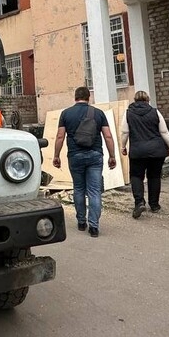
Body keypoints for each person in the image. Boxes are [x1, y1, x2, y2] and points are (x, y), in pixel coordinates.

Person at [52, 87, 117, 237]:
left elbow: (60, 137)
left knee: (79, 188)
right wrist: (112, 156)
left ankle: (81, 222)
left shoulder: (66, 113)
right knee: (94, 191)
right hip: (95, 155)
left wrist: (56, 155)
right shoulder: (98, 113)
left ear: (75, 97)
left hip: (75, 156)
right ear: (89, 97)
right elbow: (108, 136)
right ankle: (94, 226)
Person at [119, 91, 169, 219]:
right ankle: (154, 205)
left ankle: (139, 202)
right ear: (147, 100)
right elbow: (164, 131)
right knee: (154, 176)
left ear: (135, 100)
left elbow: (124, 132)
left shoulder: (128, 113)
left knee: (136, 176)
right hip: (156, 151)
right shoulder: (155, 112)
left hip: (138, 151)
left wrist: (123, 146)